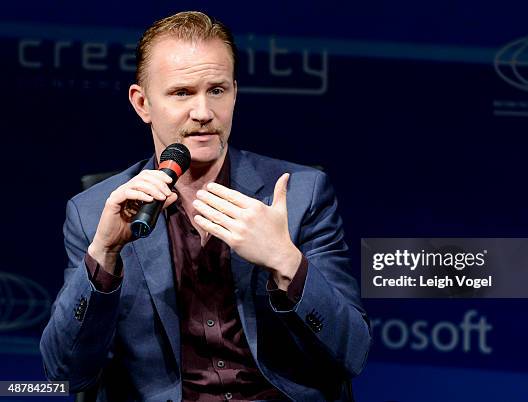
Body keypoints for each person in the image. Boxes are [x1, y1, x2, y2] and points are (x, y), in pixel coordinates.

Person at [40, 11, 371, 402]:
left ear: (234, 92)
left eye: (217, 90)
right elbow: (65, 372)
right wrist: (104, 255)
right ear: (142, 103)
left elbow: (353, 353)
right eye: (182, 93)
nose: (203, 113)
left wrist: (287, 263)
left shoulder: (299, 195)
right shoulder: (94, 212)